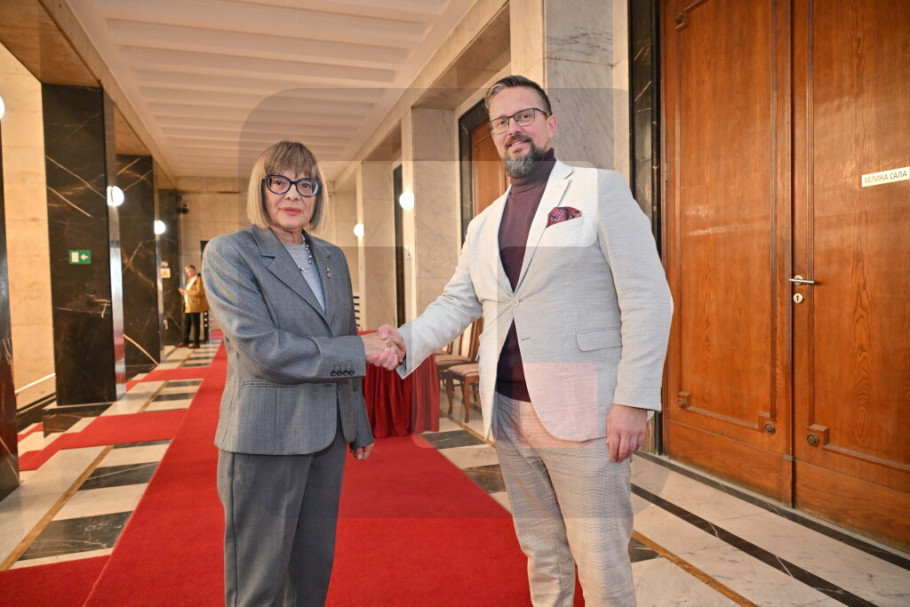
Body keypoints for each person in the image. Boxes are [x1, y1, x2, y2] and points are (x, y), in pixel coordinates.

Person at [383, 76, 673, 606]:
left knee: (600, 561)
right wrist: (403, 341)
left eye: (525, 116)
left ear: (550, 124)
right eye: (502, 121)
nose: (513, 129)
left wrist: (634, 400)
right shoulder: (483, 223)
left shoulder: (597, 190)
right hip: (508, 411)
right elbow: (457, 303)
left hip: (585, 414)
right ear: (494, 135)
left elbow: (648, 299)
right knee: (542, 553)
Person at [202, 140, 402, 607]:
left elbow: (342, 332)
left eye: (305, 184)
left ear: (317, 195)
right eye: (280, 182)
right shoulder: (231, 253)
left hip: (326, 437)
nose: (293, 194)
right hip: (264, 439)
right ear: (261, 189)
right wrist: (359, 348)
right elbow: (263, 350)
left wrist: (357, 422)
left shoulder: (331, 257)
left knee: (312, 574)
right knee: (259, 584)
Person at [177, 264, 208, 348]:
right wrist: (184, 292)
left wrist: (186, 291)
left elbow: (199, 292)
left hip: (195, 306)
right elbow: (189, 291)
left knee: (195, 324)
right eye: (187, 272)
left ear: (194, 270)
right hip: (188, 305)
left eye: (189, 271)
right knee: (186, 324)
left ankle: (196, 342)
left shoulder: (199, 279)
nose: (188, 273)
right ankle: (185, 341)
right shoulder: (190, 280)